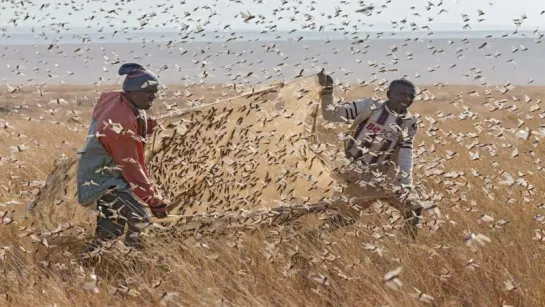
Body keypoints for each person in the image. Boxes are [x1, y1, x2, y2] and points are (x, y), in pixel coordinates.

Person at [76, 63, 169, 259]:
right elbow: (131, 167)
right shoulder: (120, 124)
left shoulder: (119, 100)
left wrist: (145, 125)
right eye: (148, 92)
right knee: (139, 218)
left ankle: (83, 266)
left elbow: (132, 119)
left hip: (107, 176)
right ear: (131, 92)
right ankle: (134, 263)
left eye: (155, 92)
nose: (153, 97)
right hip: (104, 181)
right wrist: (154, 201)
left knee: (110, 233)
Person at [316, 71, 423, 237]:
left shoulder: (409, 122)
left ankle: (409, 250)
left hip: (385, 174)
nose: (407, 99)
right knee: (346, 217)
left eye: (411, 96)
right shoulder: (368, 107)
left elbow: (406, 152)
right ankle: (311, 238)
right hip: (357, 172)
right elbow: (331, 114)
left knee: (414, 208)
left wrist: (406, 182)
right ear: (388, 94)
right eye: (402, 94)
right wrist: (328, 90)